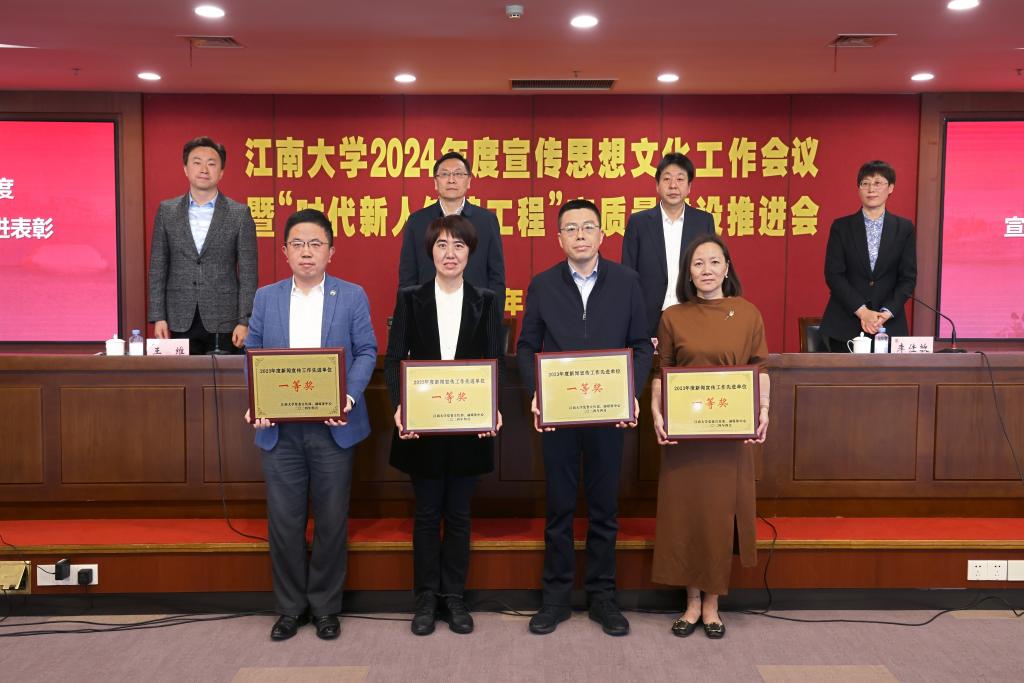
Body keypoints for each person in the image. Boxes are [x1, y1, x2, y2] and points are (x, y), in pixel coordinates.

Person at [516, 198, 653, 637]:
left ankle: (603, 598)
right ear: (559, 238)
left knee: (604, 509)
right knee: (558, 508)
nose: (580, 235)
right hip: (559, 414)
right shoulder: (542, 284)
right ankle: (554, 599)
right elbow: (526, 346)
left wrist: (631, 393)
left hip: (608, 414)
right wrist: (537, 393)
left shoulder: (627, 282)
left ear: (601, 234)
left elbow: (642, 344)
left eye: (587, 227)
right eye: (571, 228)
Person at [244, 209, 377, 642]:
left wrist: (347, 397)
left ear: (331, 252)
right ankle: (289, 609)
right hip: (280, 430)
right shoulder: (266, 297)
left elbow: (367, 351)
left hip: (333, 427)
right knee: (285, 523)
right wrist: (258, 401)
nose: (307, 252)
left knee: (332, 521)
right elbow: (254, 352)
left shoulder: (351, 296)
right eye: (298, 244)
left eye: (316, 244)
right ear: (284, 251)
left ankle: (325, 607)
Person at [385, 215, 504, 636]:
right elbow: (393, 359)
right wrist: (399, 406)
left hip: (468, 426)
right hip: (423, 426)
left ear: (470, 253)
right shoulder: (410, 298)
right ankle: (425, 599)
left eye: (458, 245)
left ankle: (454, 597)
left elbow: (494, 361)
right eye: (441, 245)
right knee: (426, 513)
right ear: (429, 252)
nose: (449, 253)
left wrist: (493, 407)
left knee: (458, 514)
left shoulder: (486, 300)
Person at [649, 233, 770, 640]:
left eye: (714, 262)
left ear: (727, 268)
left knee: (720, 517)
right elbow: (661, 372)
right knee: (687, 515)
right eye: (698, 263)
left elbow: (760, 369)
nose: (706, 270)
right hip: (685, 437)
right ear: (688, 273)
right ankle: (691, 602)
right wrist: (657, 413)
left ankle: (713, 603)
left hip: (728, 437)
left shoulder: (748, 313)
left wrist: (764, 409)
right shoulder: (672, 317)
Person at [148, 136, 258, 354]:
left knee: (225, 375)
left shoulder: (239, 214)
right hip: (178, 318)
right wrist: (158, 317)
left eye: (211, 163)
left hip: (225, 320)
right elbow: (157, 267)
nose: (204, 169)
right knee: (183, 375)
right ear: (185, 169)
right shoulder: (167, 211)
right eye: (197, 162)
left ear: (221, 172)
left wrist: (245, 321)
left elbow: (248, 274)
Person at [819, 160, 917, 351]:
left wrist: (885, 313)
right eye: (865, 183)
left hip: (888, 325)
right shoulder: (841, 227)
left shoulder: (904, 228)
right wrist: (863, 312)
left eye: (878, 183)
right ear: (859, 188)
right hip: (845, 324)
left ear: (891, 188)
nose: (871, 189)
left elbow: (908, 278)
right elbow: (834, 275)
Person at [621, 153, 715, 339]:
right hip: (648, 317)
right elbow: (628, 272)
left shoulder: (703, 221)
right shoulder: (638, 222)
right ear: (657, 185)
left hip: (693, 312)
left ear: (689, 187)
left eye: (680, 179)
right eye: (667, 179)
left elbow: (711, 268)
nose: (673, 185)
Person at [397, 151, 506, 312]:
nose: (451, 180)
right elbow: (408, 277)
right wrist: (409, 318)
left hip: (475, 314)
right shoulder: (417, 221)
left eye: (458, 174)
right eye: (445, 174)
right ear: (435, 182)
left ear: (469, 181)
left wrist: (491, 319)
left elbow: (496, 277)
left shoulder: (486, 221)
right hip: (427, 314)